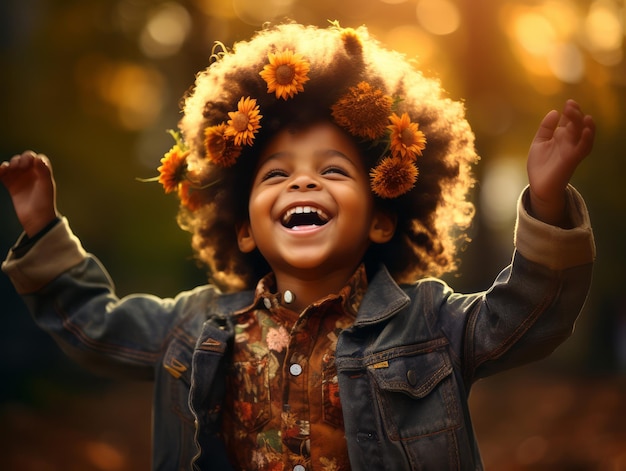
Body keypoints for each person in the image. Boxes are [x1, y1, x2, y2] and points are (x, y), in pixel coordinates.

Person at [0, 22, 595, 471]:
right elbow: (93, 329)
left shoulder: (432, 326)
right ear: (242, 227)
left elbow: (529, 314)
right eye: (275, 174)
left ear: (382, 219)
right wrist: (43, 231)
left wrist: (544, 201)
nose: (303, 182)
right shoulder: (192, 327)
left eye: (333, 171)